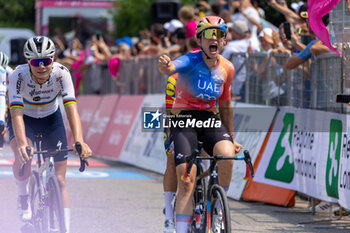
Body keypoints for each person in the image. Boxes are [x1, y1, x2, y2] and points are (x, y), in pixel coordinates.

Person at [158, 16, 242, 233]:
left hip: (209, 119)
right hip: (183, 119)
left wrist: (232, 137)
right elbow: (172, 67)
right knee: (186, 180)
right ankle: (177, 224)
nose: (214, 39)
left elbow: (225, 106)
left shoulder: (227, 68)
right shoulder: (190, 60)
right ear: (199, 40)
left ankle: (218, 212)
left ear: (224, 41)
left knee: (227, 155)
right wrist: (167, 66)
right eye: (208, 34)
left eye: (219, 34)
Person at [7, 36, 92, 233]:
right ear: (29, 62)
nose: (42, 66)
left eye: (47, 60)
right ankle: (23, 196)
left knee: (61, 180)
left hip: (51, 119)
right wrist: (21, 144)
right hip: (24, 119)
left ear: (53, 59)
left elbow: (71, 109)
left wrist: (79, 139)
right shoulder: (18, 76)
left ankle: (65, 228)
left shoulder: (62, 73)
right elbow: (16, 114)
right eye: (36, 62)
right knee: (25, 155)